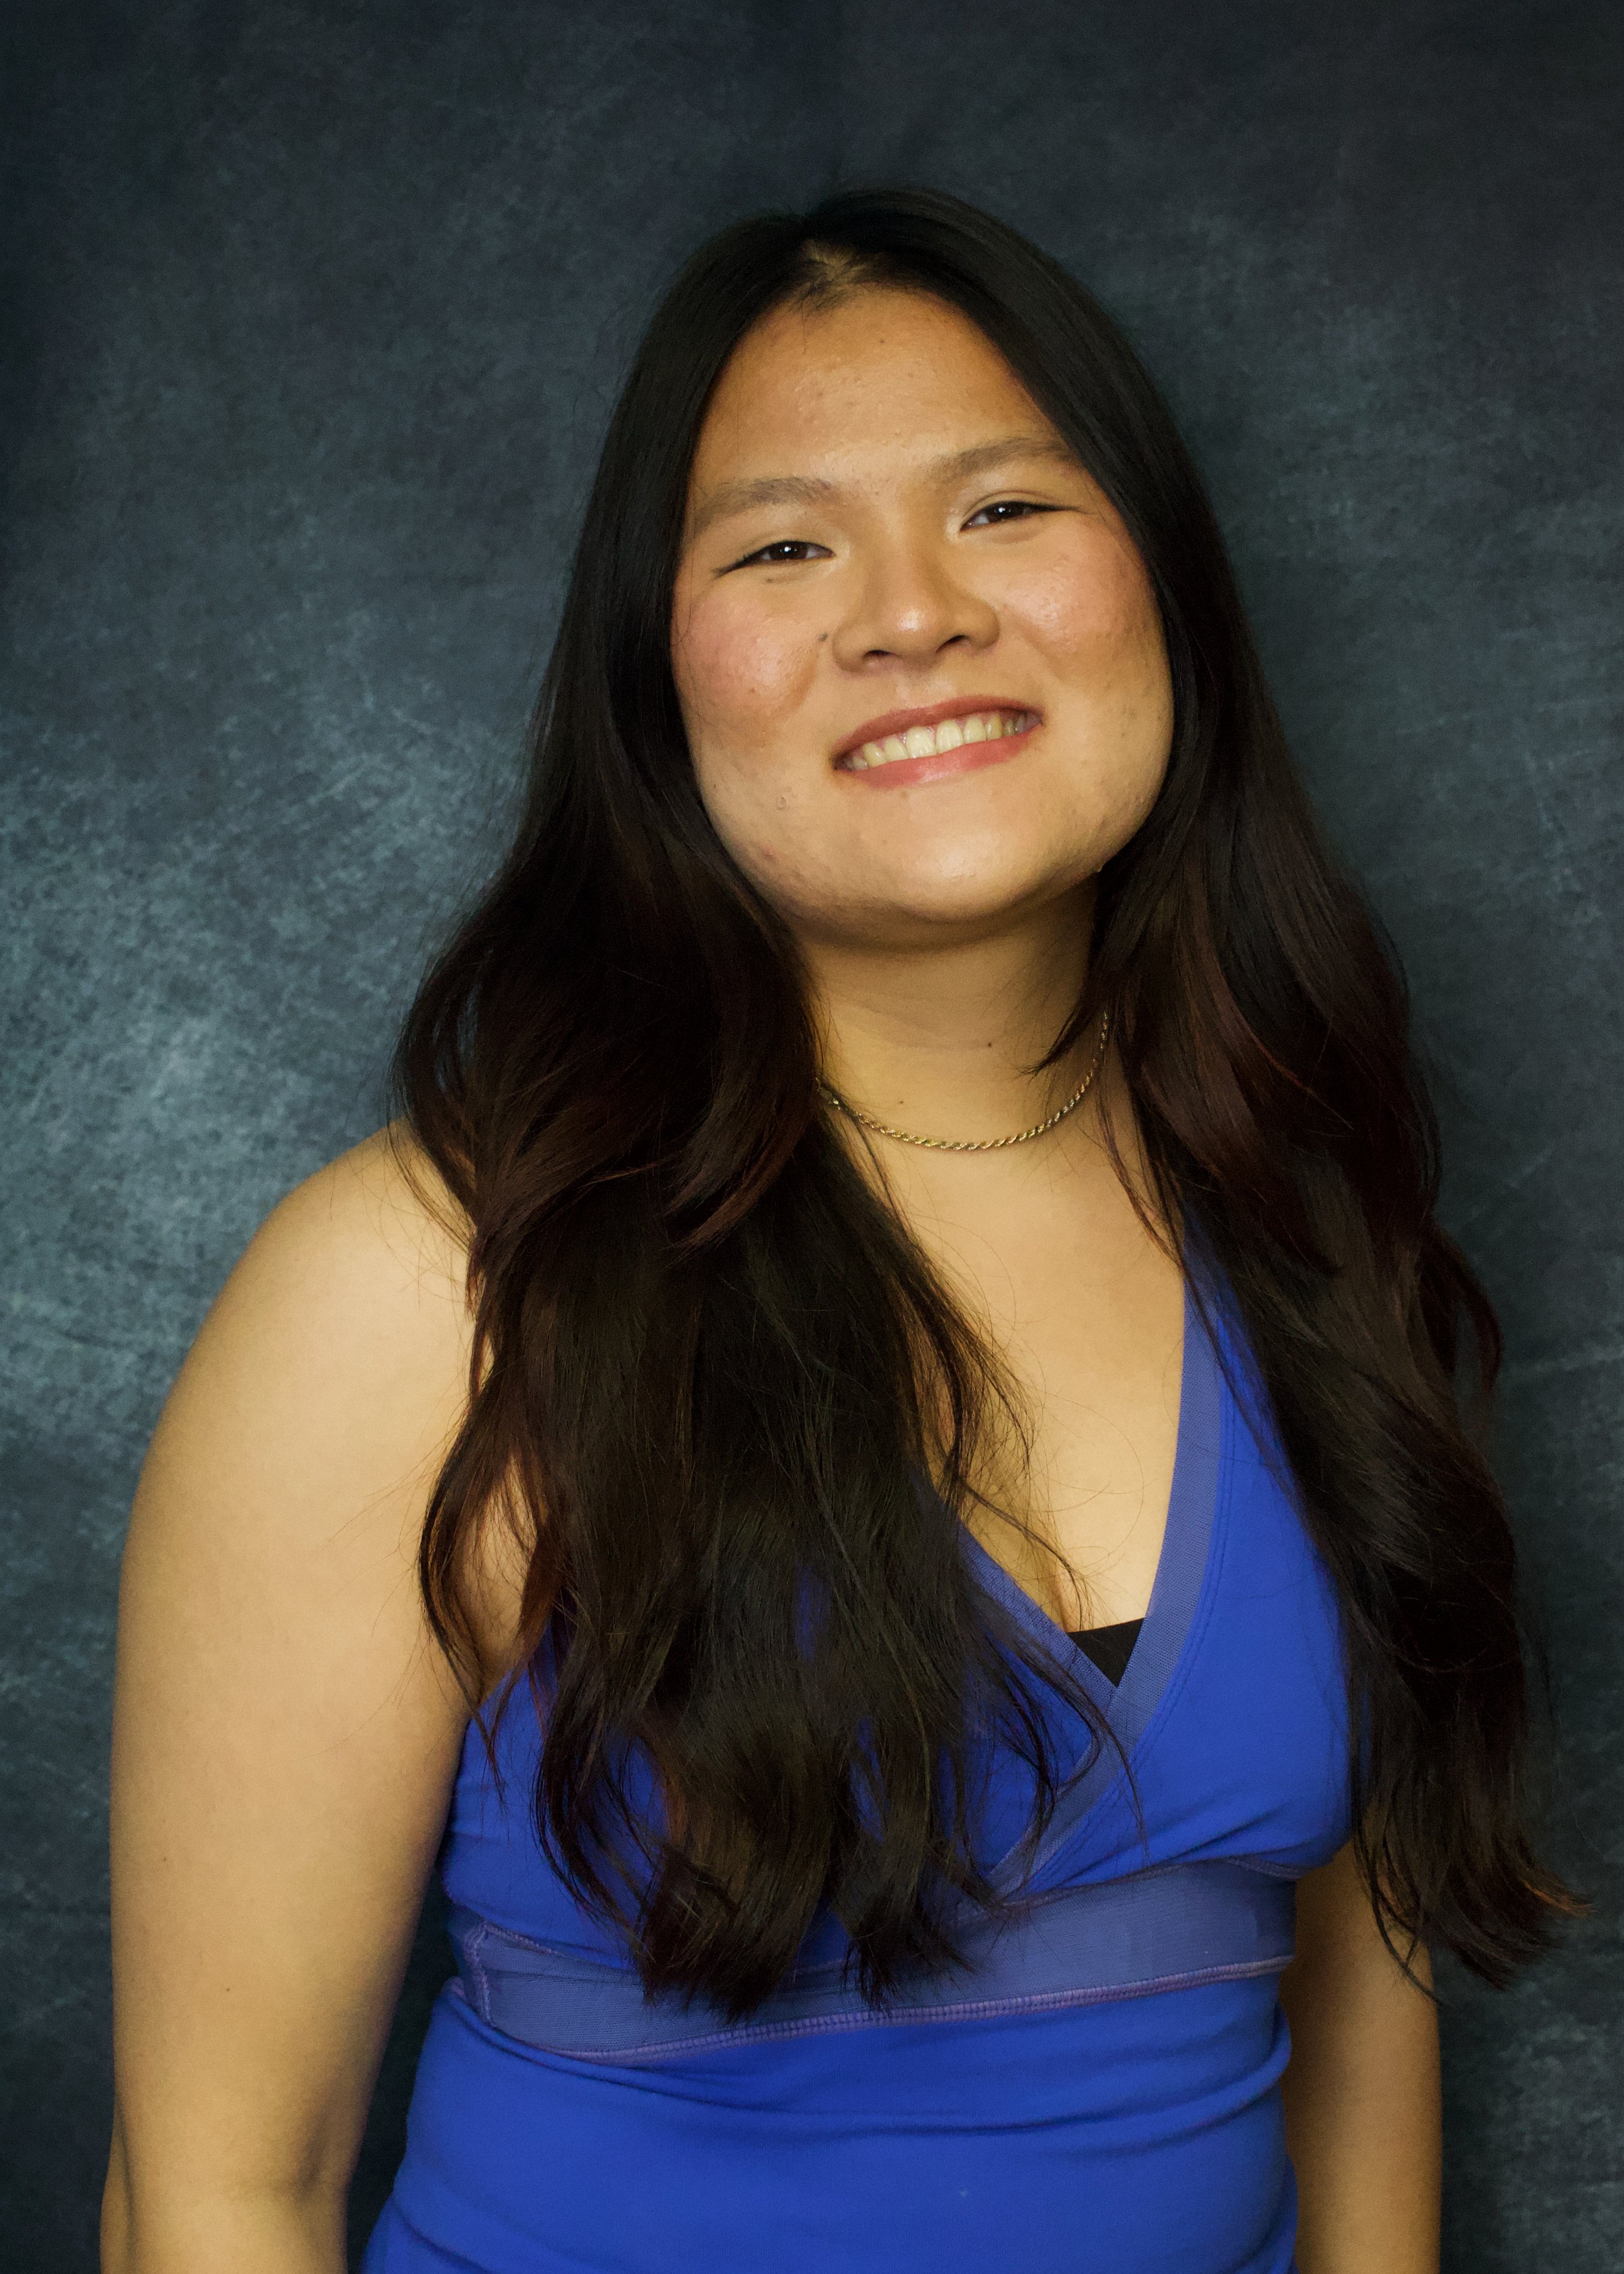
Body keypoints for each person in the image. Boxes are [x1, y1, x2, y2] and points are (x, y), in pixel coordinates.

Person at [103, 189, 1572, 2274]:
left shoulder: (1307, 1239)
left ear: (1165, 581)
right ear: (656, 685)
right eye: (784, 545)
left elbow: (1361, 2016)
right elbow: (217, 2191)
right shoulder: (419, 1292)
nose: (909, 613)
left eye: (1002, 510)